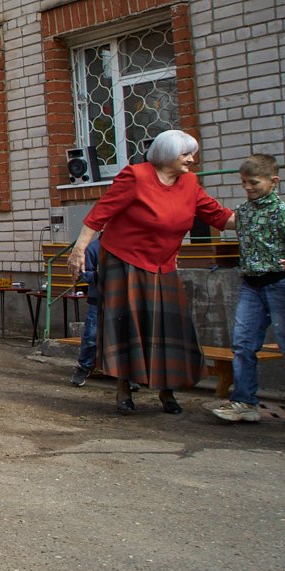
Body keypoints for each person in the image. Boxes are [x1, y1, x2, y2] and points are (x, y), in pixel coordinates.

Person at [67, 130, 233, 416]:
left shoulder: (190, 183)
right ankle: (122, 388)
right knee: (128, 326)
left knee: (168, 328)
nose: (192, 160)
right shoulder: (136, 176)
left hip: (163, 265)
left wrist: (262, 214)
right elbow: (99, 214)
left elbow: (219, 216)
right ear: (167, 155)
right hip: (124, 262)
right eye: (186, 154)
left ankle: (166, 391)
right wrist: (79, 249)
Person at [211, 154, 285, 423]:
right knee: (243, 343)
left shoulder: (284, 214)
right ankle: (245, 402)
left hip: (281, 284)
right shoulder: (243, 213)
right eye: (244, 182)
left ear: (274, 181)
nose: (248, 188)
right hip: (251, 285)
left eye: (254, 183)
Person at [68, 240, 102, 388]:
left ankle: (128, 376)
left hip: (121, 301)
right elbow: (83, 274)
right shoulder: (94, 248)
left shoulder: (125, 246)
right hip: (97, 301)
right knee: (91, 337)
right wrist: (98, 275)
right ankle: (83, 368)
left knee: (124, 338)